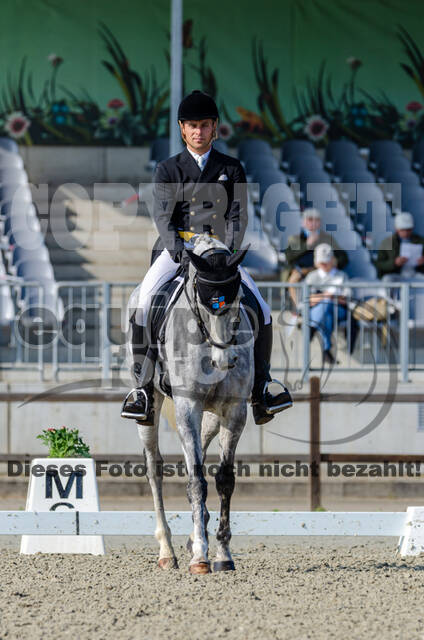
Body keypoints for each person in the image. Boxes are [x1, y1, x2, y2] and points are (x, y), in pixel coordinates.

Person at [121, 90, 293, 426]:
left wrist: (221, 253)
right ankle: (142, 388)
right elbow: (163, 217)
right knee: (142, 304)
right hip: (179, 251)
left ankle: (261, 387)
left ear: (215, 128)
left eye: (205, 125)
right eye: (192, 126)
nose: (198, 131)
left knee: (264, 309)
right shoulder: (168, 168)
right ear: (182, 129)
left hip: (219, 255)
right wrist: (181, 253)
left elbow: (238, 216)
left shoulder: (231, 168)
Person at [283, 208, 348, 311]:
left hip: (323, 269)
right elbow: (289, 257)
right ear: (303, 222)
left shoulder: (327, 238)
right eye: (310, 219)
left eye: (316, 220)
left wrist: (334, 262)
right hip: (302, 271)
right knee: (293, 280)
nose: (313, 223)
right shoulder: (295, 239)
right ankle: (298, 309)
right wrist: (307, 245)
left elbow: (343, 257)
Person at [305, 243, 349, 364]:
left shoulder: (342, 276)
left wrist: (330, 298)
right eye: (321, 261)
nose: (323, 264)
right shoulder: (312, 276)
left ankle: (312, 326)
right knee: (326, 312)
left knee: (327, 305)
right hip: (320, 312)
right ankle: (326, 349)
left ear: (332, 260)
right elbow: (307, 299)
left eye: (326, 261)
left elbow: (347, 300)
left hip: (338, 310)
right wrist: (326, 296)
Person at [376, 212, 424, 280]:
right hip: (396, 275)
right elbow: (379, 264)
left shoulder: (421, 241)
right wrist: (394, 263)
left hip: (416, 275)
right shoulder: (387, 242)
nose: (406, 233)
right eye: (402, 230)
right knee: (388, 279)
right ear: (397, 229)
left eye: (408, 229)